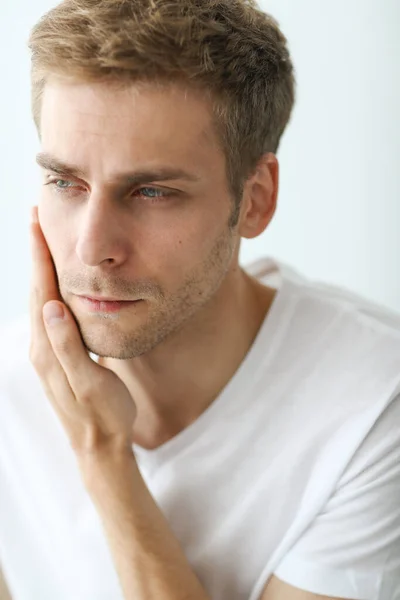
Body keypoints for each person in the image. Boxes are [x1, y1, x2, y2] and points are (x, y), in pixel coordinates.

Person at [0, 0, 399, 598]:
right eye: (65, 182)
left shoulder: (371, 404)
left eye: (152, 190)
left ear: (256, 198)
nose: (91, 249)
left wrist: (103, 455)